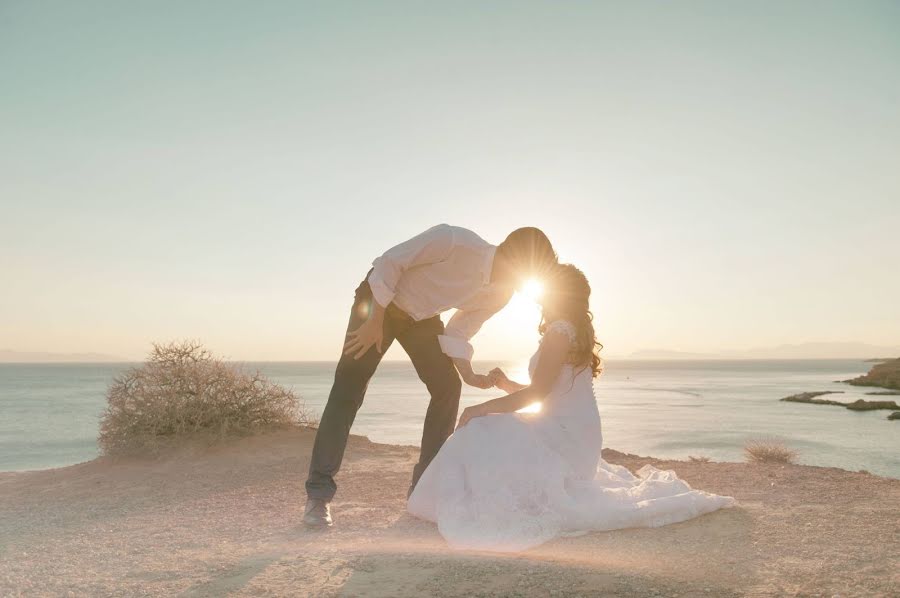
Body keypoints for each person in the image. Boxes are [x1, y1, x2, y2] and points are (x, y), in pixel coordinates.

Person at [407, 264, 735, 552]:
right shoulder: (570, 330)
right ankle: (461, 498)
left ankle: (453, 503)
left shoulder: (559, 332)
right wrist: (506, 384)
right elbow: (549, 392)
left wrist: (479, 408)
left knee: (478, 427)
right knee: (490, 429)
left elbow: (538, 393)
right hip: (572, 430)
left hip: (566, 435)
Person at [303, 224, 558, 527]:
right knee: (349, 387)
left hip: (421, 320)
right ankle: (318, 495)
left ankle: (422, 490)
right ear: (514, 259)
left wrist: (468, 373)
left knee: (447, 387)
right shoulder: (454, 241)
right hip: (378, 301)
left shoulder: (501, 294)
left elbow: (460, 329)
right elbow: (390, 262)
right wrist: (374, 320)